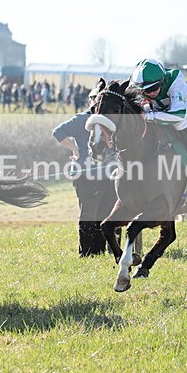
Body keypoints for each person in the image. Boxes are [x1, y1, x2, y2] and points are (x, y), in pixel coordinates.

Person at [52, 84, 118, 257]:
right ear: (90, 100)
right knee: (89, 213)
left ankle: (100, 251)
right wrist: (75, 149)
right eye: (94, 98)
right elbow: (58, 132)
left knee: (106, 213)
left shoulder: (110, 122)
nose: (96, 102)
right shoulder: (81, 120)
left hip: (108, 175)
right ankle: (86, 253)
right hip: (85, 176)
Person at [129, 58, 187, 165]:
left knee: (180, 123)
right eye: (145, 90)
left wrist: (149, 117)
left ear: (162, 81)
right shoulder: (136, 83)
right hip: (156, 108)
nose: (150, 93)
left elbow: (178, 115)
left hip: (181, 108)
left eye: (153, 88)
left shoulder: (175, 80)